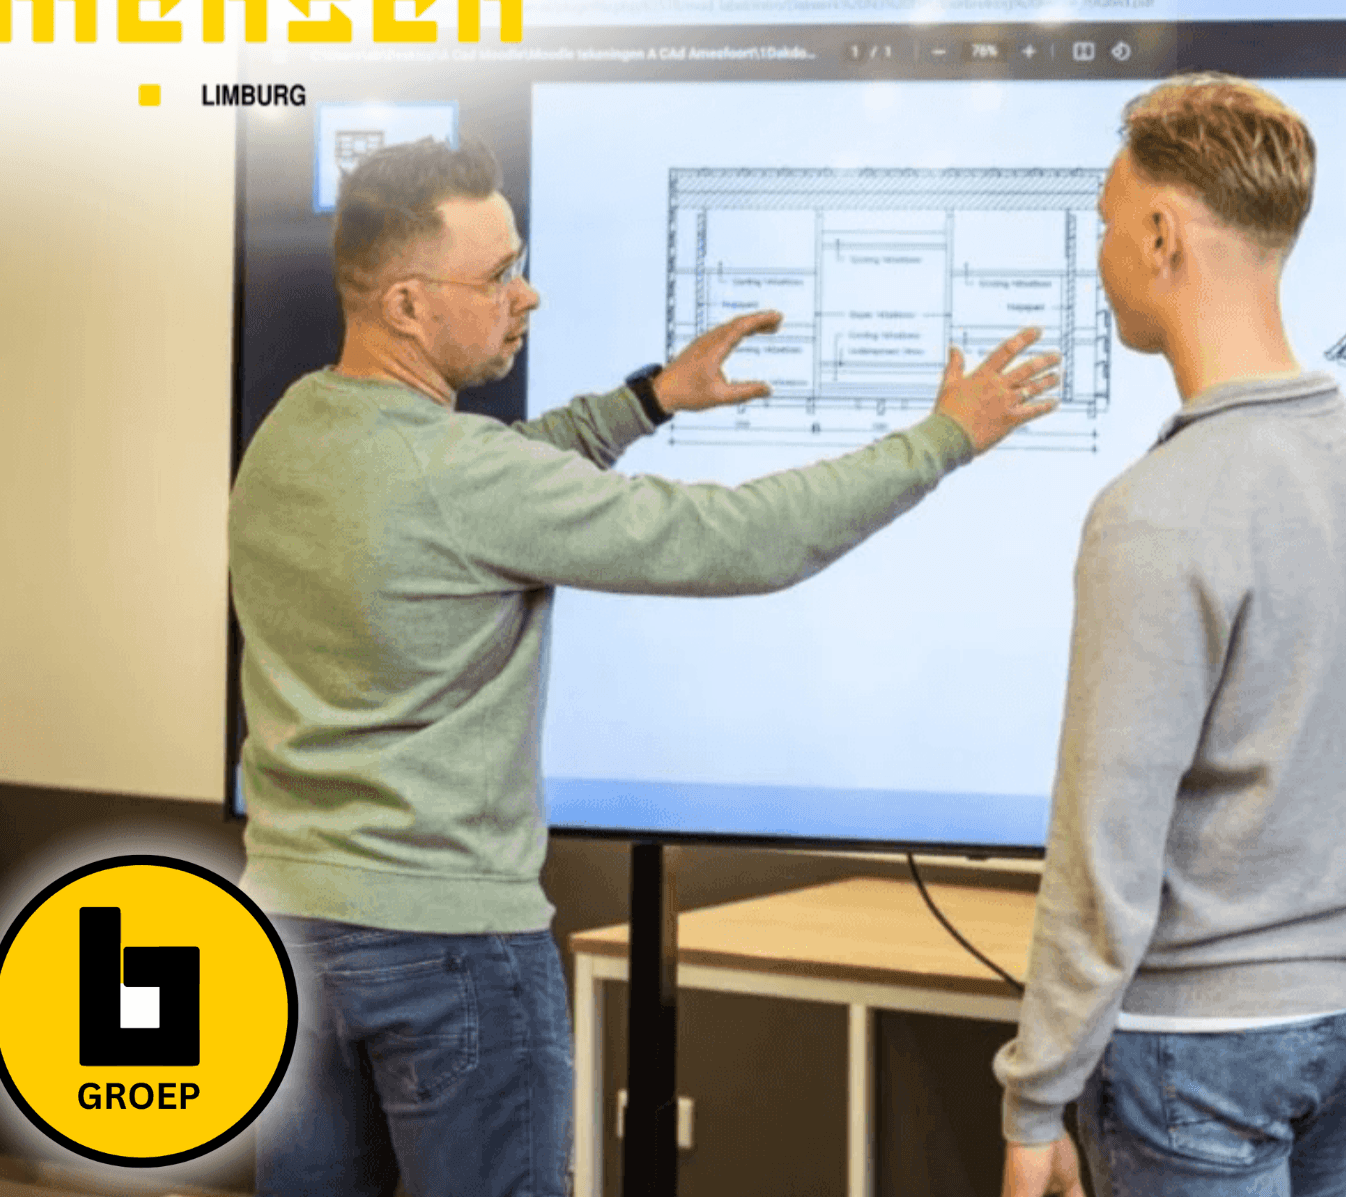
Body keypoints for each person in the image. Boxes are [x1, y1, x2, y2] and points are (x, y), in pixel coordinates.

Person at [229, 136, 1059, 1197]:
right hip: (448, 950)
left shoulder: (296, 430)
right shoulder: (462, 476)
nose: (526, 294)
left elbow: (477, 482)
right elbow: (744, 540)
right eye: (498, 275)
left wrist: (649, 399)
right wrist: (941, 438)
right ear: (405, 304)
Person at [994, 76, 1346, 1197]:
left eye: (1106, 224)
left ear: (1161, 236)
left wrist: (1036, 1098)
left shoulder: (1156, 508)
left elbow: (1104, 845)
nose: (1100, 255)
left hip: (1203, 1043)